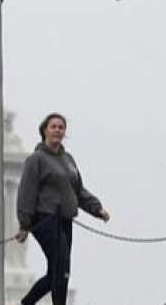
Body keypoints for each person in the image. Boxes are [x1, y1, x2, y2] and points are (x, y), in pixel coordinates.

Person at [15, 112, 110, 305]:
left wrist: (96, 208)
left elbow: (77, 190)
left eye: (61, 127)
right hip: (45, 219)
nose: (58, 130)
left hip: (65, 220)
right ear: (44, 131)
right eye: (53, 127)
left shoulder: (68, 159)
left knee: (60, 272)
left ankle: (26, 303)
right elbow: (27, 191)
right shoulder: (36, 159)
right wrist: (24, 224)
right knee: (61, 268)